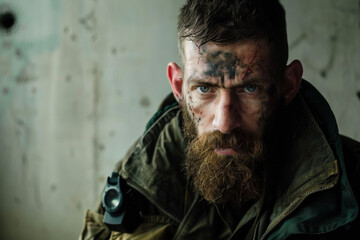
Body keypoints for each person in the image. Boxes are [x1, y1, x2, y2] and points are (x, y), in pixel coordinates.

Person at [79, 0, 360, 239]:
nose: (224, 123)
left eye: (250, 89)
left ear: (287, 85)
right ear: (178, 87)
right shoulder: (136, 186)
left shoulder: (352, 185)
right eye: (204, 89)